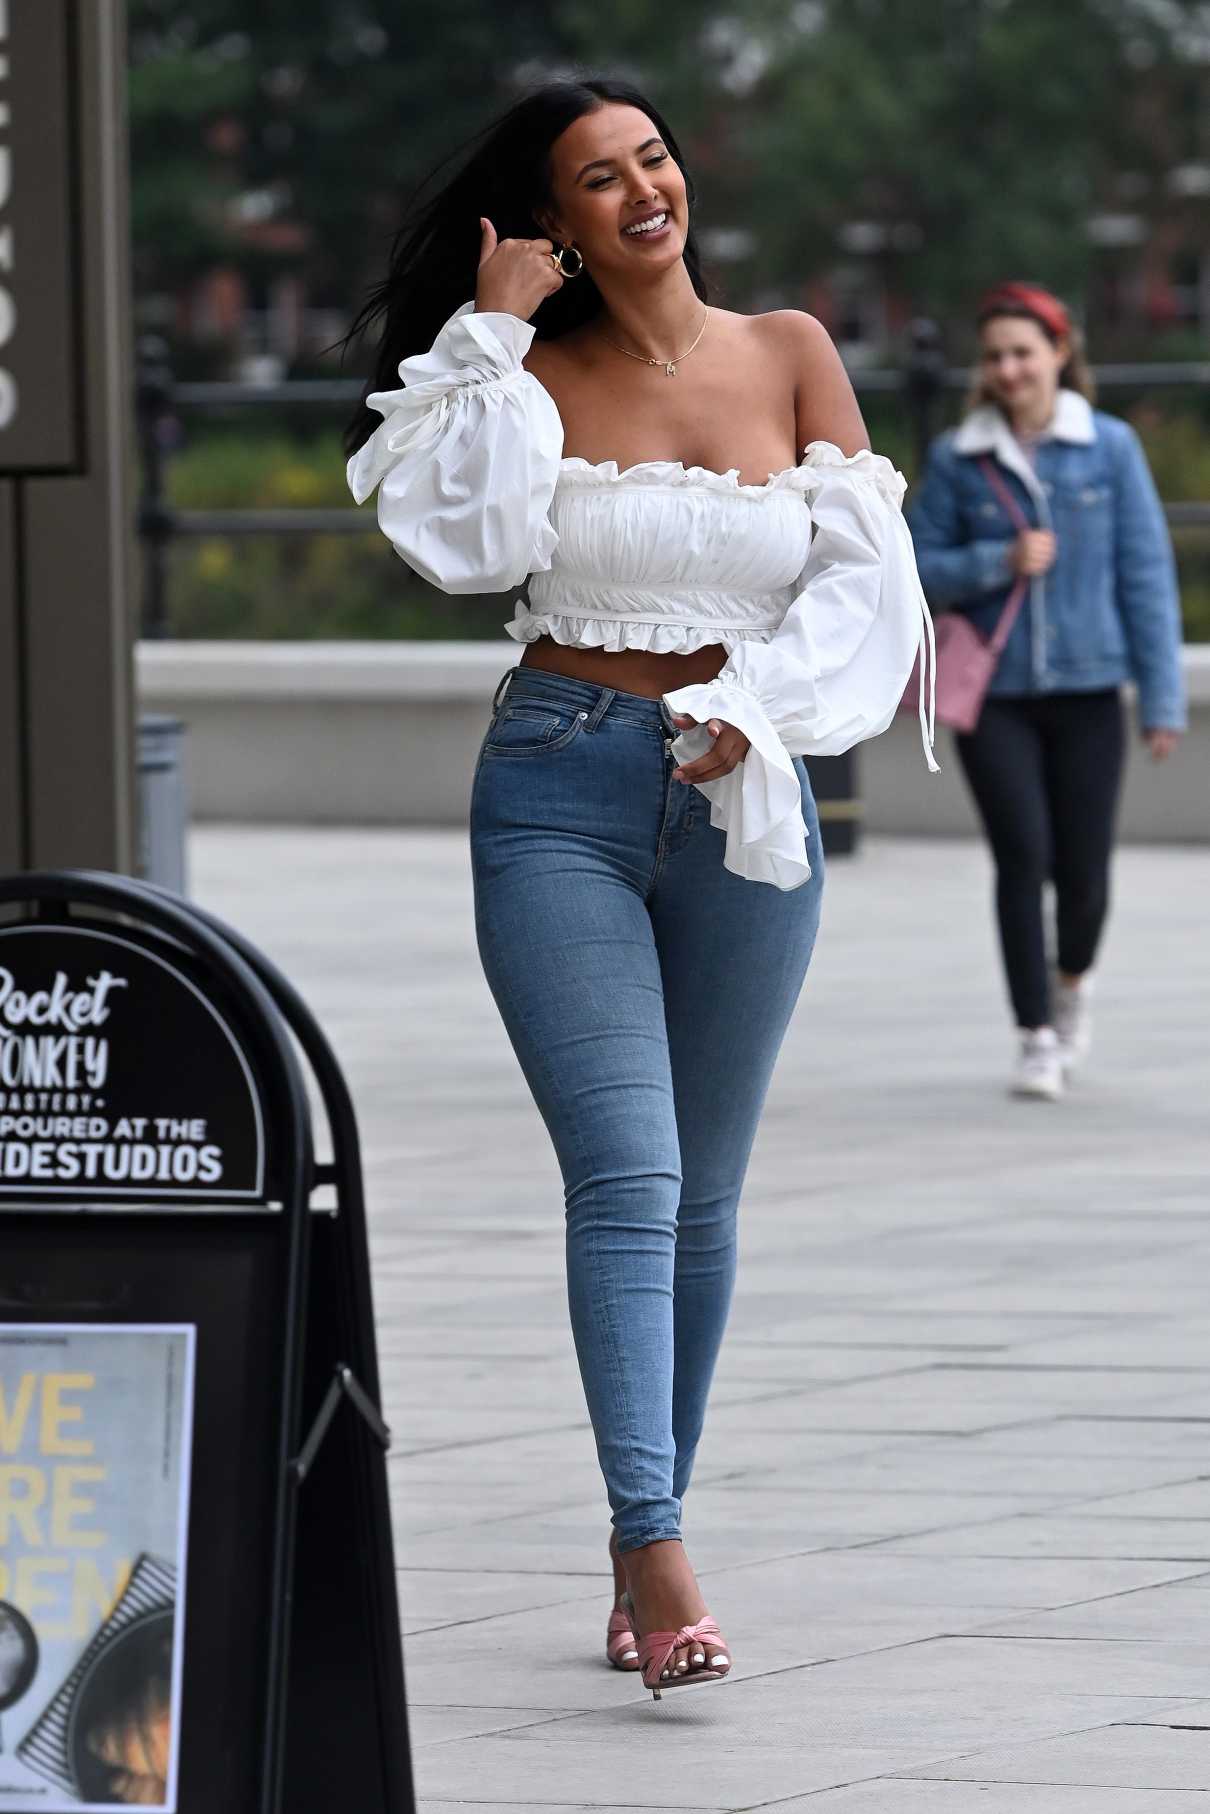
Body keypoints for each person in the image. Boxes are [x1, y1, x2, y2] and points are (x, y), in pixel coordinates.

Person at [344, 75, 935, 1698]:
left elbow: (871, 601)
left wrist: (751, 713)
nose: (642, 190)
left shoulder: (794, 352)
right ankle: (653, 1531)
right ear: (559, 222)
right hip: (557, 789)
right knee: (629, 1172)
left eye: (653, 157)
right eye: (599, 179)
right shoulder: (527, 374)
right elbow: (451, 539)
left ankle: (639, 1531)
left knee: (707, 1192)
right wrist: (479, 330)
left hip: (744, 784)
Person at [908, 281, 1186, 1101]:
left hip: (1091, 686)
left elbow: (1146, 576)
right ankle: (1034, 1033)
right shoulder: (961, 459)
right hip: (994, 695)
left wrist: (1163, 700)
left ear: (1061, 355)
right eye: (995, 355)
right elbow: (916, 565)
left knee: (1085, 869)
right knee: (1021, 855)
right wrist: (997, 561)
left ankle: (1071, 983)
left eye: (1023, 352)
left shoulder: (1110, 448)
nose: (1008, 368)